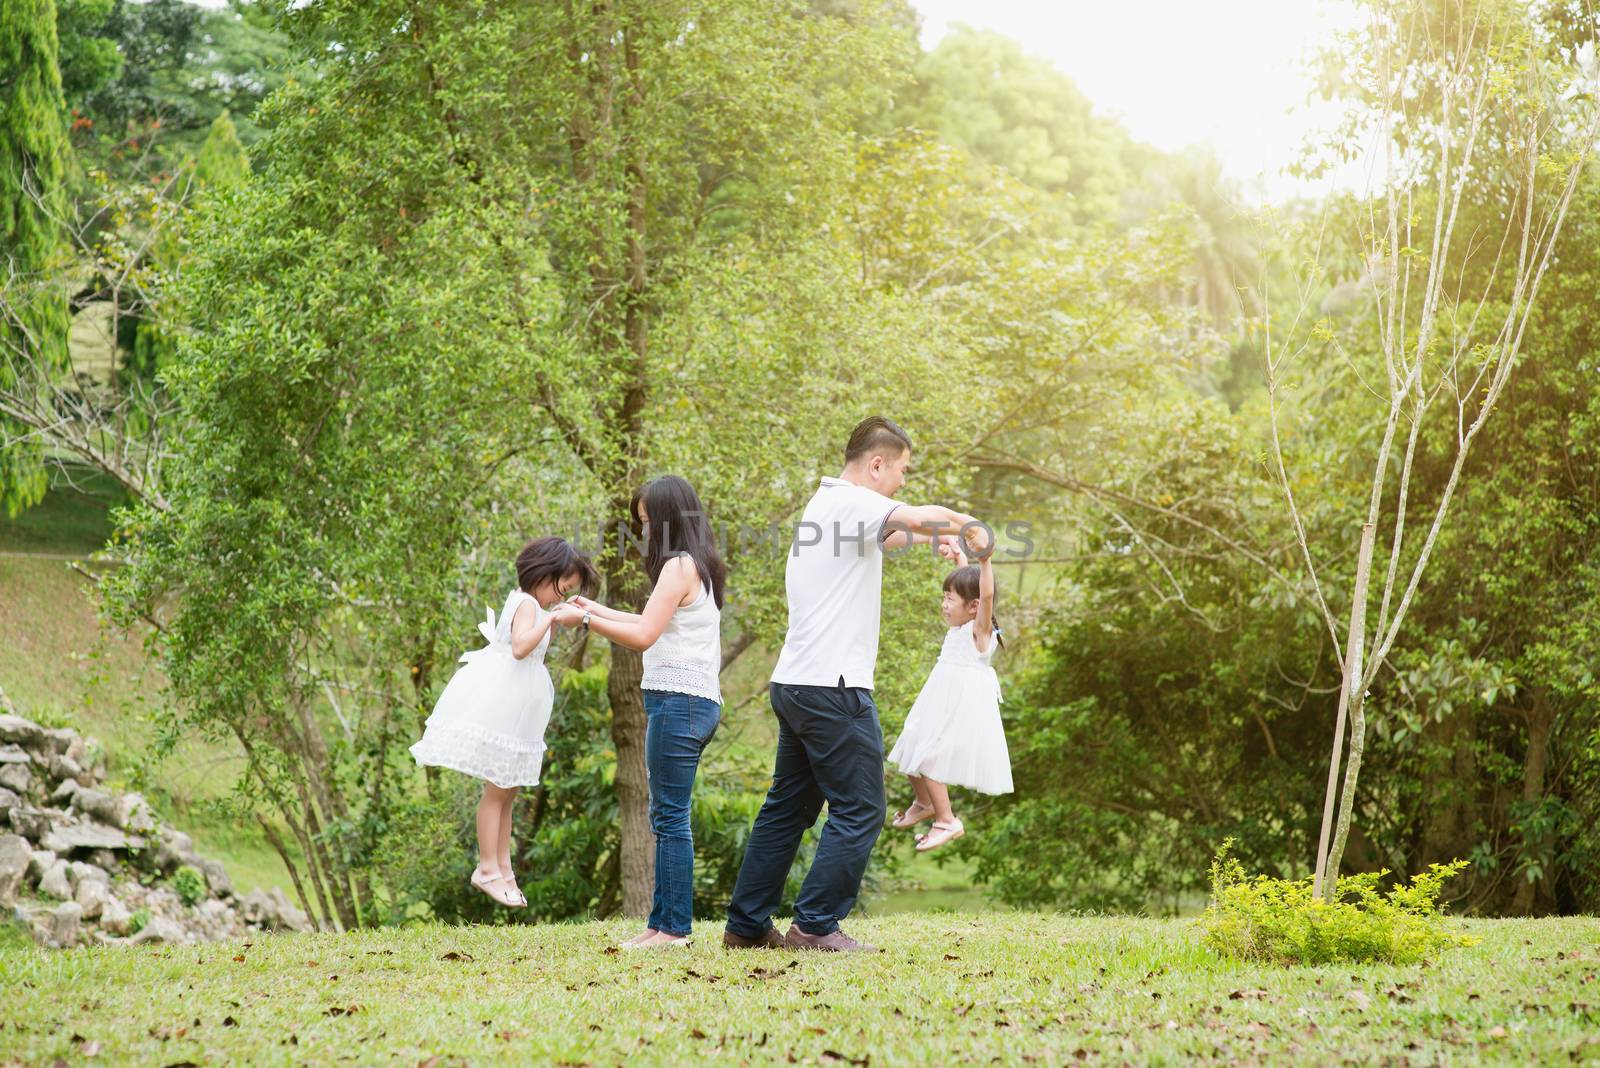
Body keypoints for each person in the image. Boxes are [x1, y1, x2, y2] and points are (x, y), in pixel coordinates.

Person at [723, 415, 991, 952]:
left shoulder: (826, 506)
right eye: (901, 471)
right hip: (834, 689)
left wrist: (939, 539)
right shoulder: (852, 502)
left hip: (796, 683)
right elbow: (917, 515)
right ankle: (816, 925)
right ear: (876, 465)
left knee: (787, 808)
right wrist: (969, 524)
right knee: (862, 807)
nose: (903, 482)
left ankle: (747, 926)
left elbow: (898, 533)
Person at [555, 476, 726, 950]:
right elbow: (649, 621)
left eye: (648, 521)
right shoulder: (700, 564)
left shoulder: (677, 567)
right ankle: (660, 925)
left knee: (670, 818)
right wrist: (597, 608)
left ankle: (672, 930)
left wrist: (586, 620)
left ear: (670, 518)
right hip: (691, 703)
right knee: (666, 815)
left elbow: (644, 637)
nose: (644, 531)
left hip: (679, 703)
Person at [410, 536, 598, 908]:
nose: (561, 597)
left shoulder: (533, 604)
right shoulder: (528, 603)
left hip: (521, 706)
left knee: (508, 790)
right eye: (564, 587)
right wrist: (550, 618)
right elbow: (519, 647)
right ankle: (486, 868)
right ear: (546, 573)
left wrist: (558, 616)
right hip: (505, 704)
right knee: (497, 791)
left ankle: (504, 869)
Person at [887, 543, 1013, 852]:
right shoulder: (961, 624)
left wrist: (985, 562)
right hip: (939, 699)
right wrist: (959, 555)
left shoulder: (979, 631)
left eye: (950, 599)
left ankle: (947, 820)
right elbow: (969, 587)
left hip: (962, 707)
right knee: (910, 746)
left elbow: (985, 595)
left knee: (930, 759)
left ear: (972, 607)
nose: (944, 605)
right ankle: (924, 802)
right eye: (944, 597)